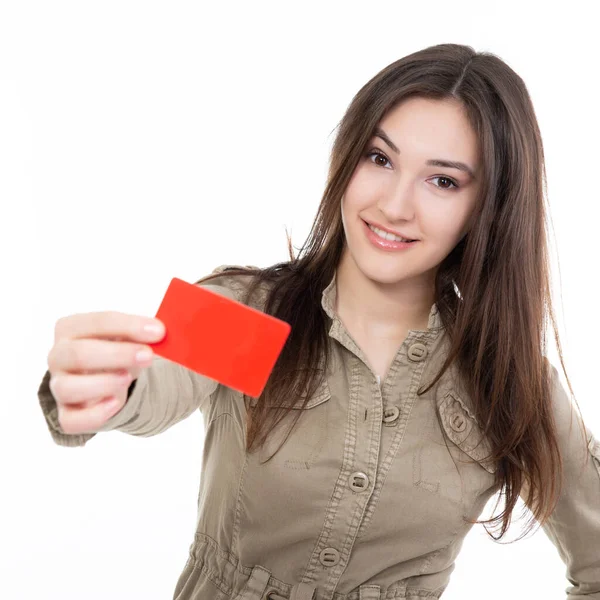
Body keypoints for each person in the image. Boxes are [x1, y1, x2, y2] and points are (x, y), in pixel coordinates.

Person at [37, 42, 600, 600]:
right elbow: (157, 382)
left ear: (488, 208)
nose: (395, 205)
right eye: (379, 159)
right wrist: (104, 387)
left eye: (443, 181)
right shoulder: (250, 310)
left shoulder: (510, 383)